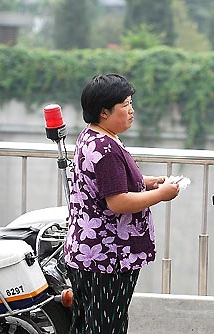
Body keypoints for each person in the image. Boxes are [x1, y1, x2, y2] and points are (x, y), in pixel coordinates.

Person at [64, 73, 181, 334]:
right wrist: (162, 194)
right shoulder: (106, 148)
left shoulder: (91, 137)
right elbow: (118, 201)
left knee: (86, 324)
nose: (131, 110)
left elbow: (109, 183)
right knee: (107, 326)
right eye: (125, 104)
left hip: (90, 252)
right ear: (104, 112)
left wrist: (146, 182)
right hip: (107, 257)